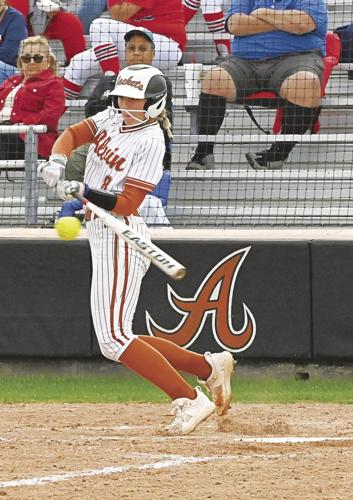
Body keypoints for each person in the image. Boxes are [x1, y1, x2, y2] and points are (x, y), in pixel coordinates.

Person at [38, 64, 235, 434]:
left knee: (113, 339)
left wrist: (81, 190)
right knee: (120, 334)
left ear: (154, 103)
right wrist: (58, 159)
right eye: (122, 97)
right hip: (101, 229)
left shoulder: (151, 141)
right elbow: (76, 131)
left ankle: (190, 400)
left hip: (122, 233)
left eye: (134, 99)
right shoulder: (113, 116)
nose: (125, 104)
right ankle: (209, 368)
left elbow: (127, 203)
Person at [186, 0, 328, 170]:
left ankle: (277, 154)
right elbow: (235, 25)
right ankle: (203, 153)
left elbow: (303, 24)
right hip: (245, 60)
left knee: (305, 83)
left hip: (297, 58)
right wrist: (283, 22)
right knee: (214, 78)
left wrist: (263, 13)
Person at [66, 28, 173, 210]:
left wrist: (117, 109)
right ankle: (79, 205)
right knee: (76, 157)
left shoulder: (159, 82)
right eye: (131, 48)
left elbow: (157, 119)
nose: (136, 52)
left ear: (153, 53)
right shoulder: (109, 81)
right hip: (106, 138)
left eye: (142, 48)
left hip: (138, 141)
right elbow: (90, 111)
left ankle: (103, 202)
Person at [0, 36, 65, 197]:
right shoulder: (11, 81)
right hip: (1, 135)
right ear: (20, 62)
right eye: (27, 58)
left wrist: (21, 125)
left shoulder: (53, 83)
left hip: (30, 141)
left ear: (47, 61)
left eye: (37, 57)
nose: (32, 61)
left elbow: (50, 115)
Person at [63, 0, 186, 99]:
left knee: (98, 25)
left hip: (166, 47)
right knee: (77, 64)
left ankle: (111, 81)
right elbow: (116, 12)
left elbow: (122, 13)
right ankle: (60, 117)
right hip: (133, 44)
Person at [8, 0, 86, 66]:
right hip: (14, 14)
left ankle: (75, 68)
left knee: (70, 22)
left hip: (44, 15)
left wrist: (53, 4)